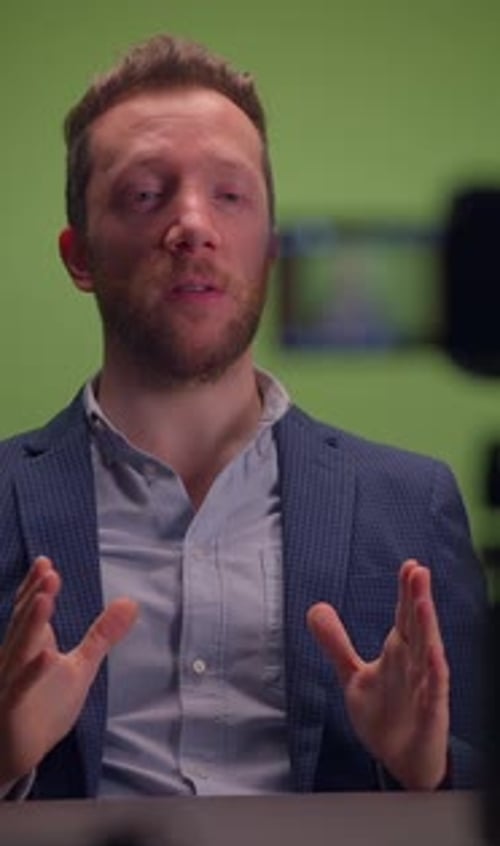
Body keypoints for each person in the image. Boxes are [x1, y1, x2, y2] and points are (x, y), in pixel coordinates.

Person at [0, 34, 486, 800]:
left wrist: (430, 769)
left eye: (229, 195)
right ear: (79, 255)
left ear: (270, 250)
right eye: (145, 194)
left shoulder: (411, 501)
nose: (192, 224)